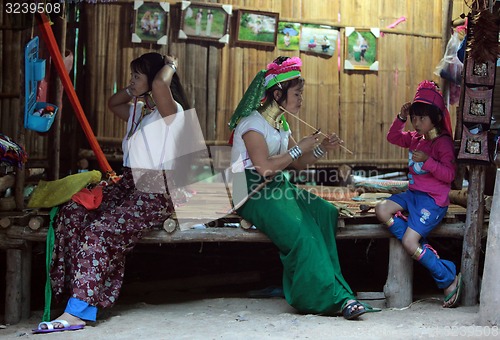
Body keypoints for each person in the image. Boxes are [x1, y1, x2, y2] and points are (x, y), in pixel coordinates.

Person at [33, 53, 190, 333]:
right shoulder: (141, 113)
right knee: (72, 214)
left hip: (155, 191)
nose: (131, 81)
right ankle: (74, 294)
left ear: (155, 79)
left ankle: (79, 311)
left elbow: (161, 87)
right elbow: (114, 102)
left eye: (137, 76)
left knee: (100, 232)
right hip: (128, 184)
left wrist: (170, 65)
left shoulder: (171, 113)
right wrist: (133, 88)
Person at [228, 56, 369, 320]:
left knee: (325, 213)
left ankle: (332, 285)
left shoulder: (281, 124)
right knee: (302, 233)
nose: (301, 99)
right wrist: (298, 147)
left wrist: (320, 148)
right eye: (297, 93)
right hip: (250, 191)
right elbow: (265, 168)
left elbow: (299, 165)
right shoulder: (252, 125)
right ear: (278, 93)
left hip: (276, 186)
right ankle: (329, 299)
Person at [375, 80, 462, 308]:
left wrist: (430, 162)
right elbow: (393, 137)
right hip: (412, 195)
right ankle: (417, 241)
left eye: (422, 118)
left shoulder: (442, 143)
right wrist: (401, 118)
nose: (417, 122)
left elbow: (450, 175)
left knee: (409, 242)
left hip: (433, 202)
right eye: (414, 117)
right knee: (381, 209)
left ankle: (448, 279)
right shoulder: (415, 138)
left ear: (435, 118)